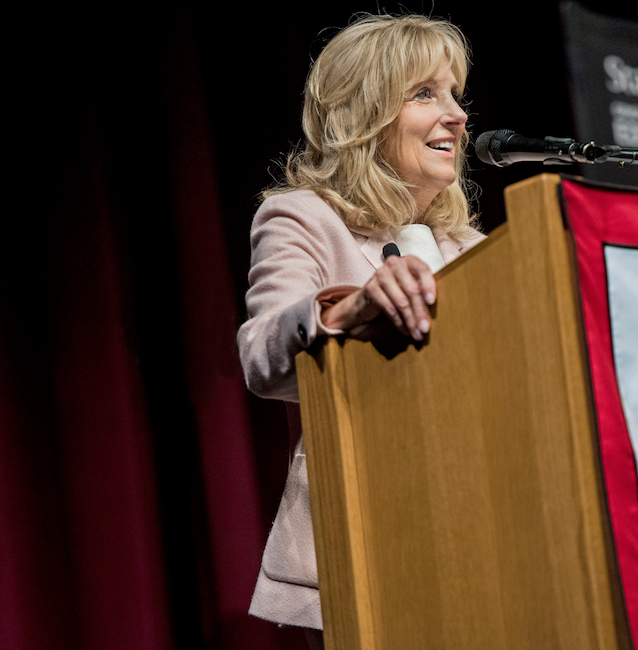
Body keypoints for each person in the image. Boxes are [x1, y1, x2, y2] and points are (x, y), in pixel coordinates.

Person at [236, 13, 484, 643]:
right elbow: (263, 356)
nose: (455, 114)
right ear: (366, 114)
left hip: (484, 527)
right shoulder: (302, 218)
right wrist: (349, 308)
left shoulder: (472, 248)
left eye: (455, 94)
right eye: (425, 94)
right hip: (373, 538)